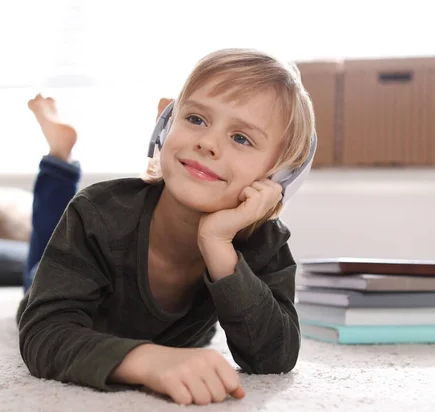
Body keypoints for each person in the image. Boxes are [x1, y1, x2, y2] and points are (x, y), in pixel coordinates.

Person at [17, 48, 315, 406]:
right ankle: (58, 158)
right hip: (59, 274)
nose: (206, 142)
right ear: (165, 126)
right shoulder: (98, 213)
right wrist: (147, 360)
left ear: (279, 177)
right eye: (196, 119)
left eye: (241, 138)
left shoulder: (265, 242)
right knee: (40, 250)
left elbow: (274, 358)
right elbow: (44, 333)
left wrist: (218, 243)